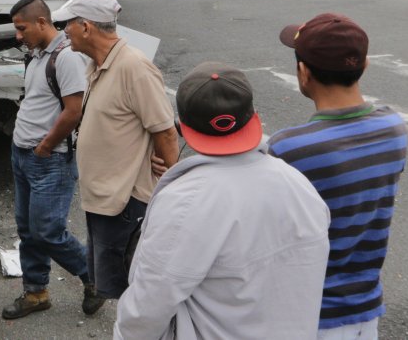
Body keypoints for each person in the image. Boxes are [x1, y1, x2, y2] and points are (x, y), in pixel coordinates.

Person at [115, 62, 330, 339]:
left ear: (186, 128)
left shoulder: (184, 202)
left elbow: (146, 308)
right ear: (254, 119)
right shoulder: (298, 185)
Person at [270, 13, 408, 338]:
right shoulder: (394, 128)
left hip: (310, 315)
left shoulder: (287, 149)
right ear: (365, 64)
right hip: (365, 309)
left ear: (303, 73)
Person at [51, 0, 178, 305]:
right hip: (105, 199)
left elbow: (165, 131)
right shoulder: (98, 63)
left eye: (69, 23)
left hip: (125, 201)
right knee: (112, 286)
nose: (64, 30)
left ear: (86, 27)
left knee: (133, 291)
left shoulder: (134, 66)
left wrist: (172, 184)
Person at [4, 0, 102, 319]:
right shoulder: (36, 56)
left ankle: (95, 277)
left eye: (22, 28)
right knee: (28, 230)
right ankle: (36, 293)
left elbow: (74, 111)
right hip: (23, 156)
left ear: (42, 23)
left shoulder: (65, 57)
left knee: (47, 230)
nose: (18, 36)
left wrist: (46, 145)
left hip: (50, 160)